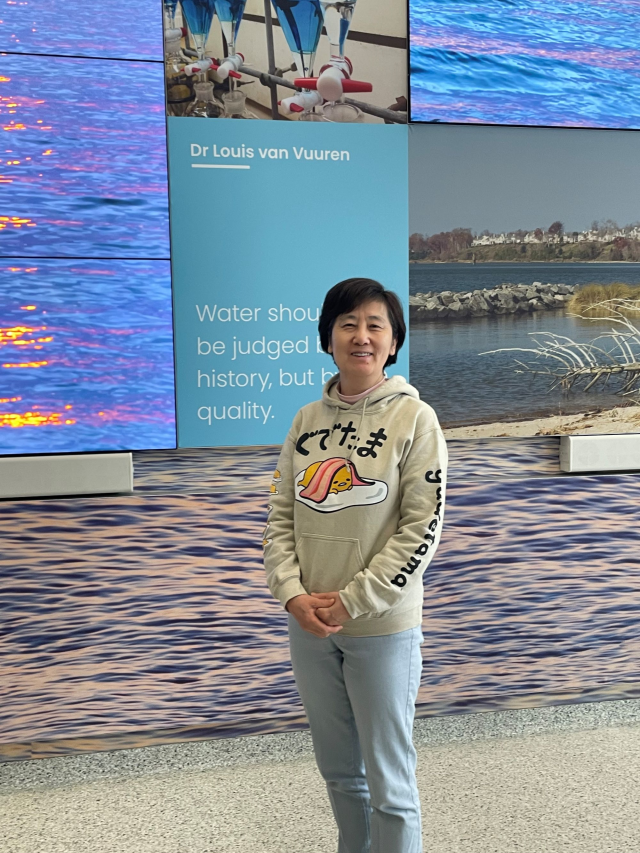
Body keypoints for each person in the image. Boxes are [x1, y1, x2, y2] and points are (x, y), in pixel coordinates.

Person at [263, 277, 447, 853]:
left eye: (374, 326)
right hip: (311, 626)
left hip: (381, 628)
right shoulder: (305, 420)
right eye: (347, 324)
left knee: (390, 784)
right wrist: (293, 595)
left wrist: (354, 599)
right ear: (328, 338)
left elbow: (423, 527)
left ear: (393, 343)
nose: (360, 336)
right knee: (340, 774)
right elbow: (279, 518)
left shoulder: (416, 420)